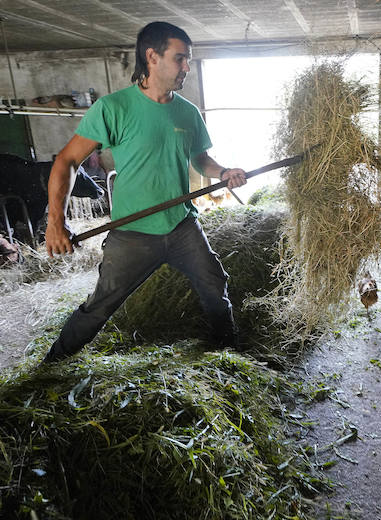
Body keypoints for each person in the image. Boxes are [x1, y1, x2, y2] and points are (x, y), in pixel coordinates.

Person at [41, 22, 247, 362]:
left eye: (188, 60)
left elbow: (200, 158)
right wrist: (55, 222)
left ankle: (229, 354)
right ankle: (52, 364)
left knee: (215, 287)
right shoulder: (113, 108)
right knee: (100, 306)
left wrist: (223, 173)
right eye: (180, 58)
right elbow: (66, 162)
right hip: (132, 234)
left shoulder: (187, 112)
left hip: (183, 227)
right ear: (152, 56)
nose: (186, 68)